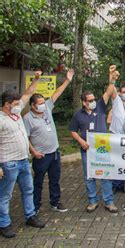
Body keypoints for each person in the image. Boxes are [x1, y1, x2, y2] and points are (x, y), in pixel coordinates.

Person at [0, 71, 46, 238]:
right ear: (7, 104)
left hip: (24, 161)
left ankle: (30, 216)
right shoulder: (1, 120)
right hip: (8, 163)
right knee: (5, 195)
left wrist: (36, 79)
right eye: (16, 103)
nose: (20, 104)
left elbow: (28, 93)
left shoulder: (16, 113)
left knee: (28, 189)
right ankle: (4, 223)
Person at [23, 69, 74, 214]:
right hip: (41, 155)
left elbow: (56, 93)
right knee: (38, 182)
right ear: (32, 105)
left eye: (43, 102)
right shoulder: (27, 119)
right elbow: (25, 138)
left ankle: (55, 202)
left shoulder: (47, 109)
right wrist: (34, 152)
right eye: (39, 103)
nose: (42, 105)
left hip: (54, 153)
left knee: (55, 179)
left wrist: (67, 80)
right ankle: (35, 206)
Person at [69, 65, 118, 213]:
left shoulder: (100, 108)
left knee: (105, 175)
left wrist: (111, 77)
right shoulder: (78, 115)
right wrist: (81, 142)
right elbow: (72, 131)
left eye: (93, 99)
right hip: (87, 150)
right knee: (89, 176)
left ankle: (109, 202)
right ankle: (92, 201)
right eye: (89, 100)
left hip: (102, 149)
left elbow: (109, 92)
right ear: (84, 102)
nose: (92, 101)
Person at [109, 84, 125, 193]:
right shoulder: (116, 101)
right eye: (123, 92)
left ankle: (124, 184)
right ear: (120, 93)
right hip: (116, 136)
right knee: (115, 160)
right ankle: (115, 184)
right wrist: (112, 79)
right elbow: (112, 90)